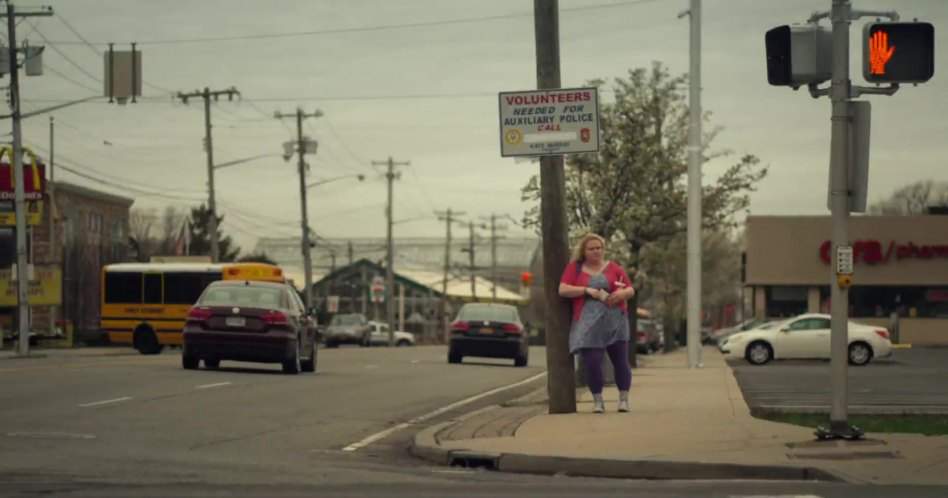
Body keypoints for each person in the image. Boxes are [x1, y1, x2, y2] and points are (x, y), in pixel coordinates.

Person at [558, 233, 635, 413]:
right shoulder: (574, 269)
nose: (596, 251)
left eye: (599, 248)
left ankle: (623, 399)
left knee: (621, 361)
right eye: (591, 248)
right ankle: (598, 401)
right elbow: (563, 289)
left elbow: (630, 288)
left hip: (615, 321)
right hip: (588, 323)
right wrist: (586, 290)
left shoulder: (614, 267)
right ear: (584, 251)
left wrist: (622, 294)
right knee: (592, 362)